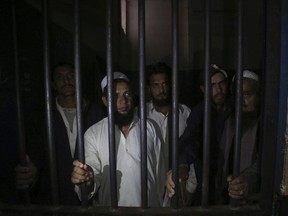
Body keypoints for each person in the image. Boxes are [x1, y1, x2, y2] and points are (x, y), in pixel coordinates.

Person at [14, 63, 104, 205]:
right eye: (60, 77)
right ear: (54, 85)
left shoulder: (96, 112)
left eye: (71, 76)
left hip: (89, 199)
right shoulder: (43, 116)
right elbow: (37, 153)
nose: (66, 80)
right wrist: (32, 173)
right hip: (53, 198)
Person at [71, 72, 164, 207]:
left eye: (127, 94)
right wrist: (87, 180)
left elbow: (160, 174)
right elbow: (91, 177)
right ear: (105, 101)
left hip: (148, 210)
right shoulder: (93, 133)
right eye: (114, 96)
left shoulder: (150, 127)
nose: (123, 101)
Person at [173, 64, 232, 205]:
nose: (218, 90)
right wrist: (183, 163)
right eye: (212, 85)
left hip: (233, 176)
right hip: (209, 177)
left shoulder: (235, 109)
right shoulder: (199, 113)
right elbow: (190, 139)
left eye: (221, 84)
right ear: (203, 89)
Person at [145, 62, 192, 204]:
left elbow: (194, 149)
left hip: (180, 185)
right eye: (156, 85)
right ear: (149, 89)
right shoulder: (140, 115)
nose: (161, 89)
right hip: (149, 187)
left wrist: (191, 187)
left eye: (165, 84)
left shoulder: (185, 113)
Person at [215, 70, 261, 204]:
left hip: (251, 201)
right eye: (237, 95)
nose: (241, 100)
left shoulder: (264, 124)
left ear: (258, 95)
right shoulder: (230, 120)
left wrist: (247, 181)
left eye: (247, 94)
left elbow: (265, 163)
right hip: (226, 197)